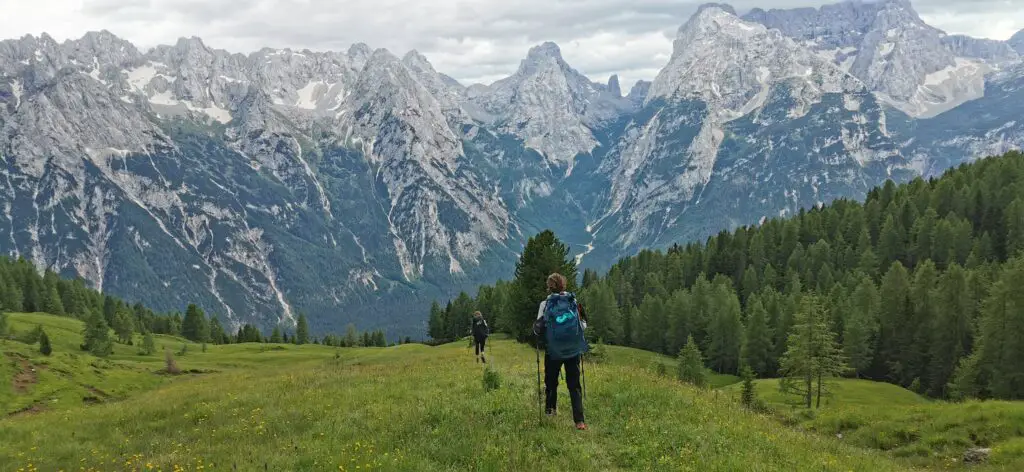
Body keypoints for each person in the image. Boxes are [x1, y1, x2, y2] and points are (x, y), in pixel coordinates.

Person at [533, 273, 589, 431]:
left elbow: (539, 329)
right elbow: (583, 324)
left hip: (553, 350)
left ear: (549, 287)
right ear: (563, 285)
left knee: (551, 382)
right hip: (572, 350)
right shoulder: (573, 301)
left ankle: (550, 412)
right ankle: (579, 421)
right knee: (574, 384)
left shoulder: (545, 304)